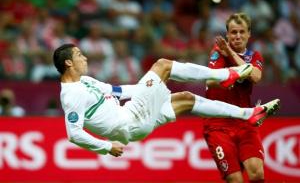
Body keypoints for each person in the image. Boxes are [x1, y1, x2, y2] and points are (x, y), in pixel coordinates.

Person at [53, 43, 279, 157]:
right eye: (80, 55)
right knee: (163, 65)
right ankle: (228, 74)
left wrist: (148, 86)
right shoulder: (71, 95)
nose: (85, 58)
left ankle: (248, 114)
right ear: (69, 64)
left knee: (186, 99)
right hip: (129, 121)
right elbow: (74, 134)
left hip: (133, 116)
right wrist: (106, 147)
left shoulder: (85, 81)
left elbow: (119, 91)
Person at [203, 12, 273, 182]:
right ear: (227, 34)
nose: (238, 36)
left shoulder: (254, 56)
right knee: (235, 180)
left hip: (244, 122)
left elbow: (255, 77)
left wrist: (232, 54)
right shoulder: (218, 52)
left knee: (257, 174)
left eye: (242, 32)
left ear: (249, 34)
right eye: (233, 32)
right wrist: (231, 73)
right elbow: (211, 80)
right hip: (218, 124)